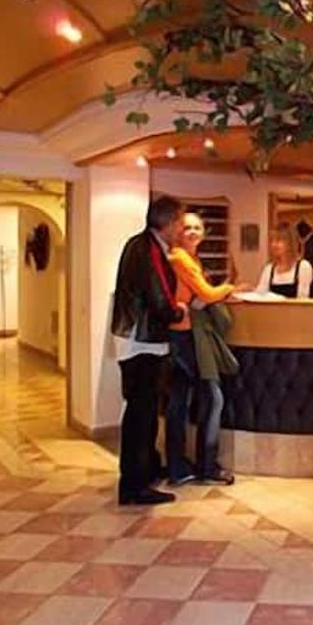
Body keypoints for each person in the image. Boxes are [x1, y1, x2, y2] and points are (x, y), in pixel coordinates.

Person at [110, 196, 186, 506]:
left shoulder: (139, 244)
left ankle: (145, 471)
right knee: (142, 416)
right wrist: (177, 312)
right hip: (143, 343)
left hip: (137, 340)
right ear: (168, 222)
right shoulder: (149, 250)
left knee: (142, 413)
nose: (182, 230)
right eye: (180, 223)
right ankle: (135, 486)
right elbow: (159, 299)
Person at [165, 212, 237, 486]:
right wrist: (229, 287)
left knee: (184, 401)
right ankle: (203, 467)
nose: (193, 232)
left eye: (197, 227)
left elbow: (200, 295)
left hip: (187, 335)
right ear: (177, 231)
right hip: (184, 336)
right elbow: (206, 294)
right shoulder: (180, 258)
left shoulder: (191, 260)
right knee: (207, 398)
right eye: (187, 228)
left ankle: (180, 466)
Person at [254, 222, 313, 299]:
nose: (274, 244)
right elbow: (260, 296)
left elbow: (302, 299)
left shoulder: (303, 267)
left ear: (290, 243)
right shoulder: (269, 269)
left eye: (278, 240)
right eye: (272, 241)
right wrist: (249, 290)